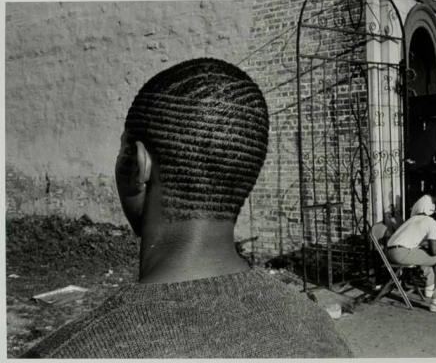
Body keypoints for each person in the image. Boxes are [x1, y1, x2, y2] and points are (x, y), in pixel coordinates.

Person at [21, 58, 352, 358]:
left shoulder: (69, 352)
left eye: (122, 148)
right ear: (243, 172)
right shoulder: (320, 332)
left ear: (139, 165)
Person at [386, 205, 436, 314]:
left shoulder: (418, 218)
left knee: (428, 255)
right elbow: (434, 251)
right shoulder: (434, 224)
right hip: (401, 253)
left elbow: (419, 242)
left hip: (390, 251)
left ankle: (430, 286)